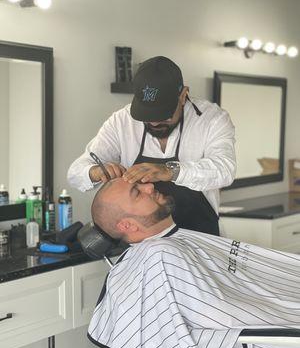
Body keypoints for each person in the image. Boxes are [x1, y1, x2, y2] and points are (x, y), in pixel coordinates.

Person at [87, 178, 300, 348]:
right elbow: (218, 313)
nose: (150, 187)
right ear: (127, 225)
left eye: (141, 184)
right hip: (265, 347)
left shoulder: (168, 245)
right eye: (137, 192)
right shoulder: (159, 255)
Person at [68, 56, 236, 236]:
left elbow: (225, 169)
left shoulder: (212, 119)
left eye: (164, 115)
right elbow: (75, 173)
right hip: (147, 248)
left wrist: (169, 171)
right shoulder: (121, 121)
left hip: (201, 239)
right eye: (146, 115)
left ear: (183, 95)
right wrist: (96, 172)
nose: (154, 122)